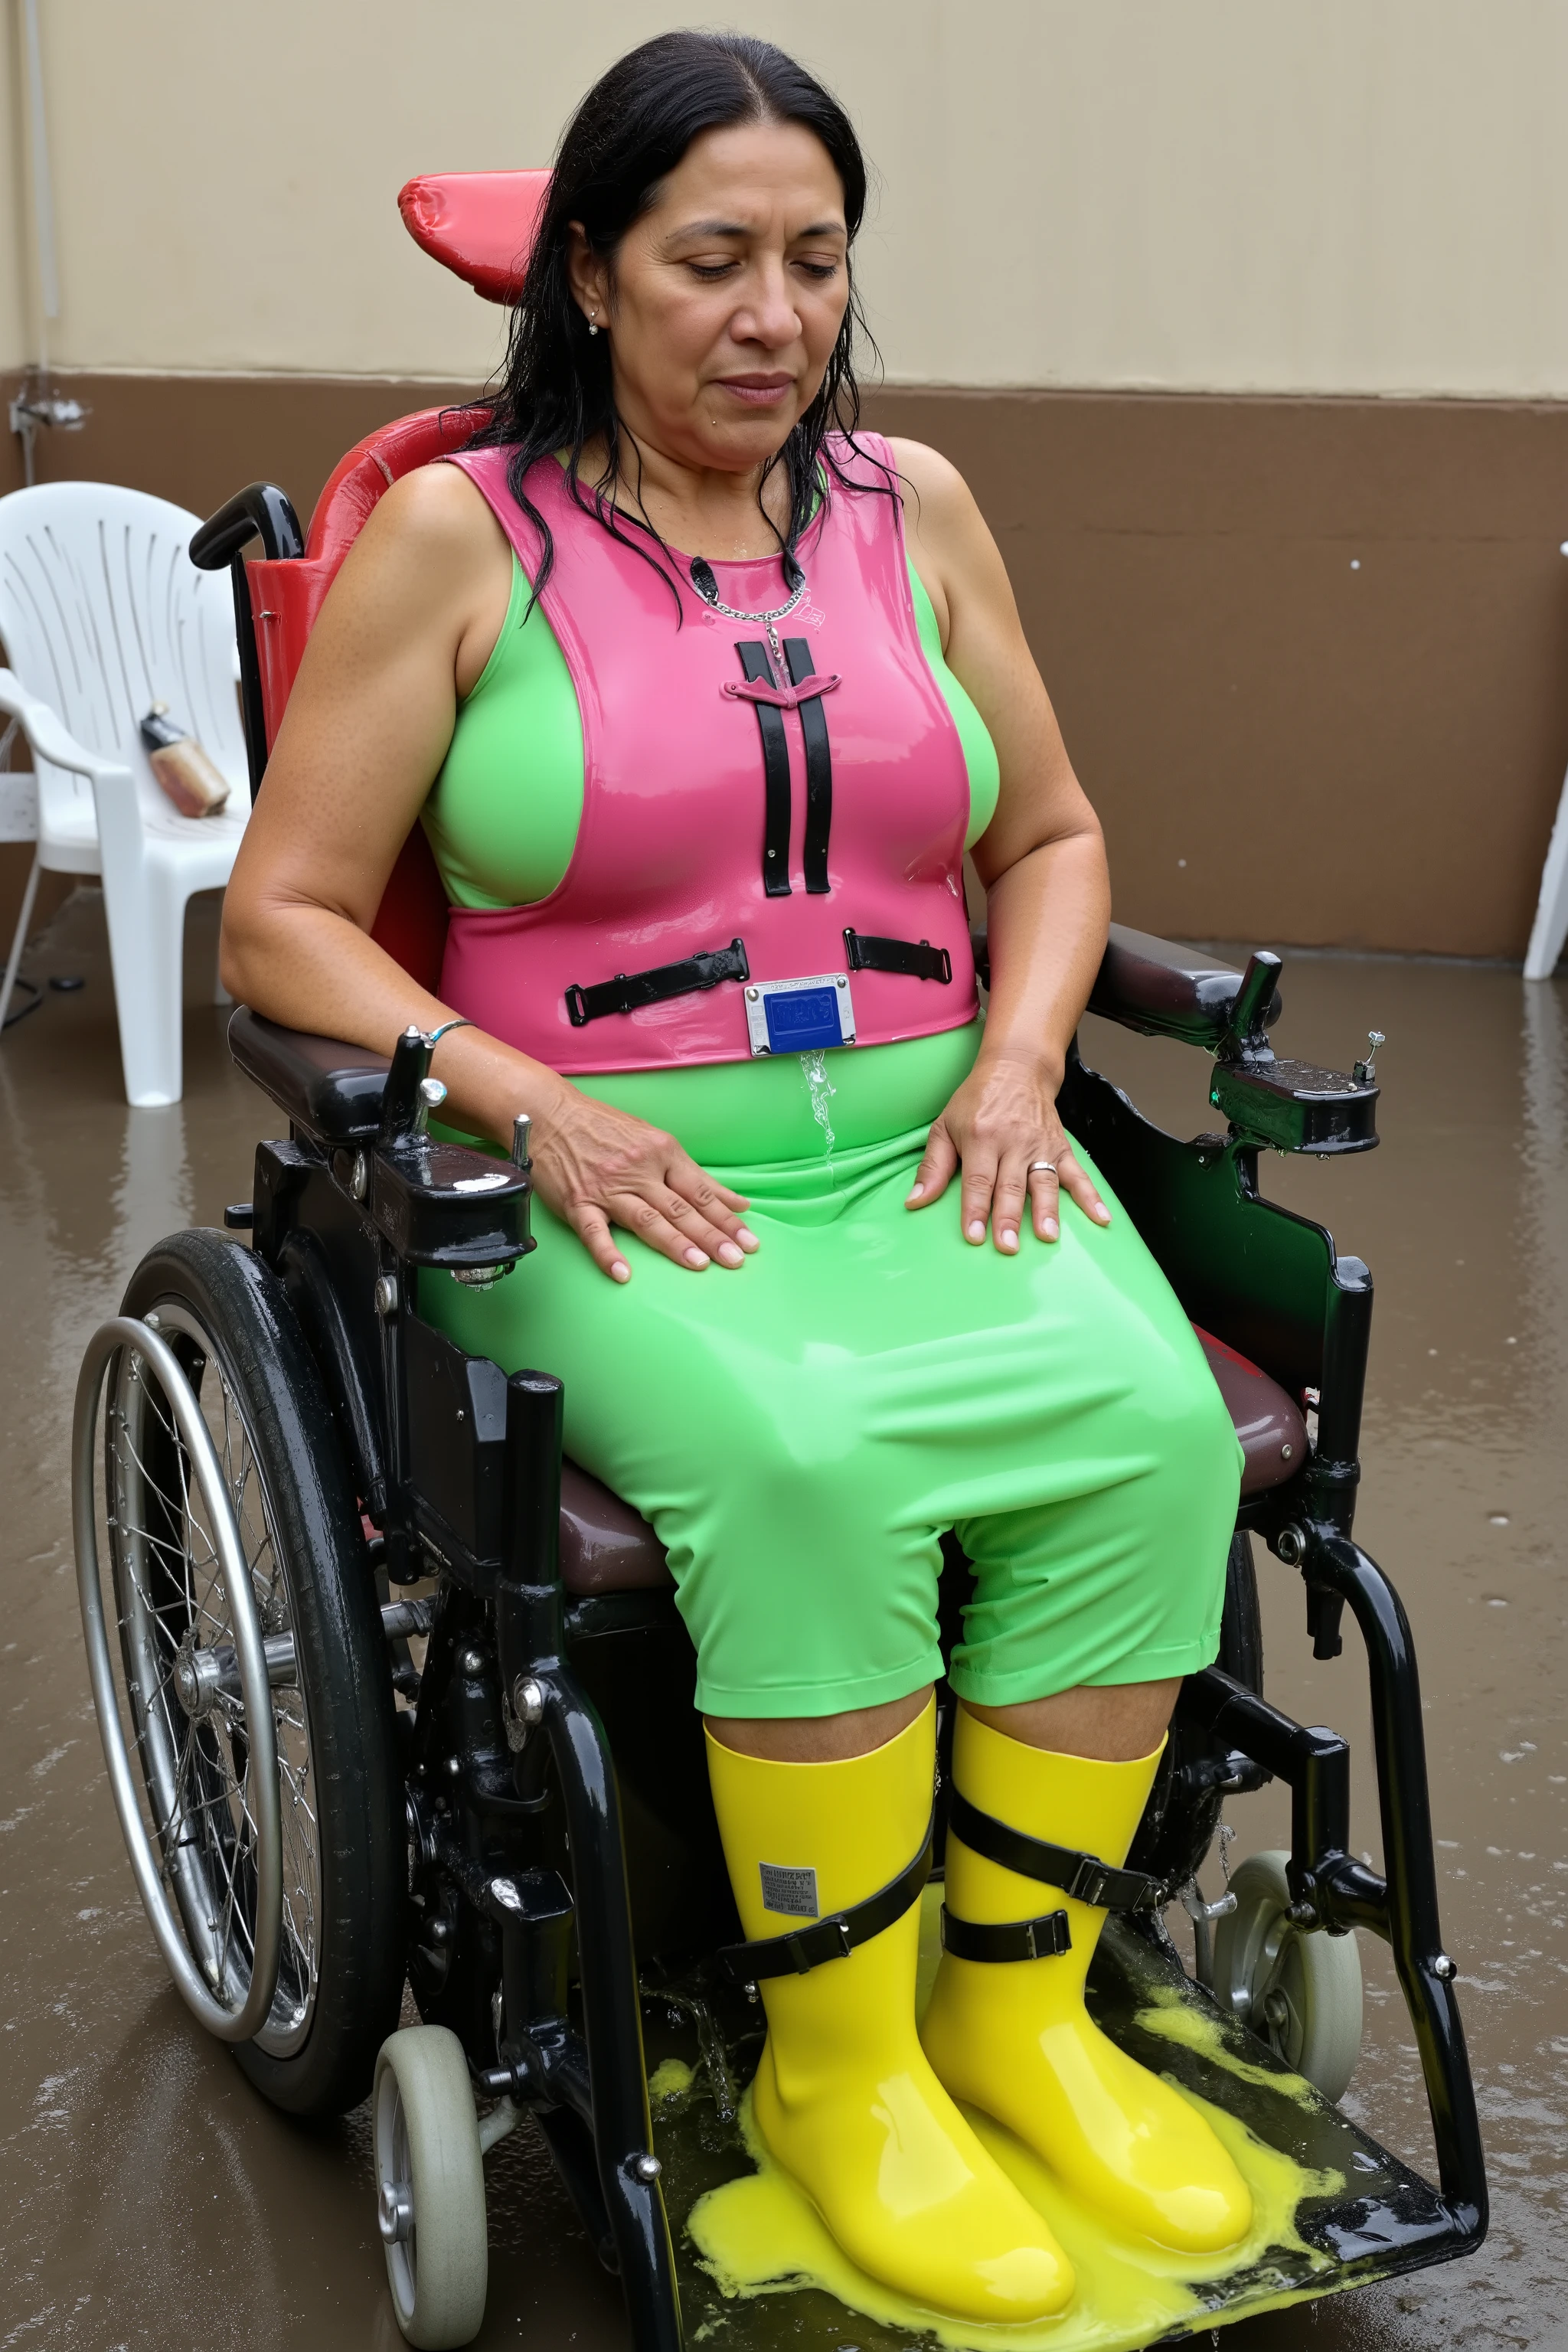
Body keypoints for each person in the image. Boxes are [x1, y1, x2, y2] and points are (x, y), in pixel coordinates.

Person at [222, 30, 1251, 2324]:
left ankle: (1017, 2017)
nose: (770, 315)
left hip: (932, 1143)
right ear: (591, 273)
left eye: (812, 260)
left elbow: (1054, 837)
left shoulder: (922, 510)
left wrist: (1015, 1061)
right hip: (605, 1181)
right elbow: (282, 911)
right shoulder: (453, 536)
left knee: (1158, 1435)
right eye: (710, 262)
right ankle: (841, 2070)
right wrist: (522, 1100)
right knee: (806, 1464)